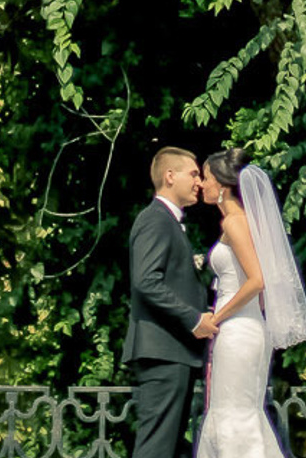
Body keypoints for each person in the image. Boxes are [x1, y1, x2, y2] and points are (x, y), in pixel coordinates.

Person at [191, 148, 306, 458]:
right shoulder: (241, 222)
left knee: (234, 417)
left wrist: (216, 318)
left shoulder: (235, 223)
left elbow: (257, 281)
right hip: (246, 329)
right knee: (241, 414)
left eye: (206, 178)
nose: (201, 185)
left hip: (237, 333)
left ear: (221, 185)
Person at [125, 147, 216, 458]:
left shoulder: (170, 222)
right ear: (169, 176)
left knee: (170, 449)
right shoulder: (155, 219)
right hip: (163, 353)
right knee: (155, 449)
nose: (199, 182)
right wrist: (193, 319)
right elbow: (146, 280)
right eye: (193, 174)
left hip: (173, 353)